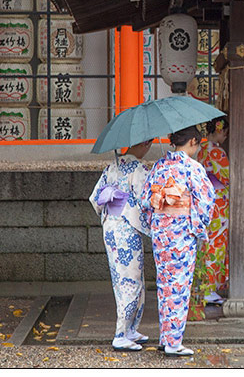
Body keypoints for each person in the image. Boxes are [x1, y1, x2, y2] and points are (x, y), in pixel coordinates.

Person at [139, 125, 216, 357]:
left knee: (164, 285)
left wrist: (155, 222)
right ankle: (173, 342)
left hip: (161, 233)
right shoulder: (192, 168)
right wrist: (198, 227)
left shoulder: (160, 166)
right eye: (199, 143)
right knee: (179, 287)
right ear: (193, 141)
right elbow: (206, 200)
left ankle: (167, 337)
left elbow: (146, 199)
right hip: (182, 233)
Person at [88, 139, 153, 352]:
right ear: (144, 144)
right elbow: (146, 199)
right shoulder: (139, 167)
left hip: (111, 228)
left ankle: (131, 329)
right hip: (127, 229)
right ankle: (120, 333)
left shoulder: (111, 167)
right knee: (131, 281)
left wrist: (114, 197)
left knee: (124, 278)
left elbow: (95, 199)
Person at [193, 116, 229, 308]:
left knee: (207, 245)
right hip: (220, 205)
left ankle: (205, 287)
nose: (225, 136)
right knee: (217, 246)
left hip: (206, 203)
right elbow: (228, 177)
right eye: (225, 132)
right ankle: (210, 289)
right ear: (220, 130)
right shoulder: (218, 153)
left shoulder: (201, 151)